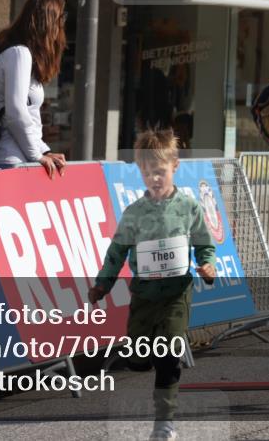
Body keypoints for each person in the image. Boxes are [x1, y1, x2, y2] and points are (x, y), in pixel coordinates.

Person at [87, 128, 216, 441]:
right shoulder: (134, 214)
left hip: (176, 293)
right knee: (139, 359)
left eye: (159, 172)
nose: (154, 179)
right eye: (147, 173)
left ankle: (164, 422)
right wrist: (102, 285)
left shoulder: (189, 208)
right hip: (143, 296)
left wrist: (208, 265)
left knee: (170, 354)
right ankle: (141, 359)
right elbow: (116, 252)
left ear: (174, 166)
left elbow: (204, 244)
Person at [0, 0, 68, 178]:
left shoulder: (23, 54)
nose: (62, 24)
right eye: (61, 17)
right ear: (48, 22)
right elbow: (16, 112)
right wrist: (37, 154)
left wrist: (44, 150)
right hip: (12, 159)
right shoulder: (19, 54)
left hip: (21, 156)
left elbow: (28, 116)